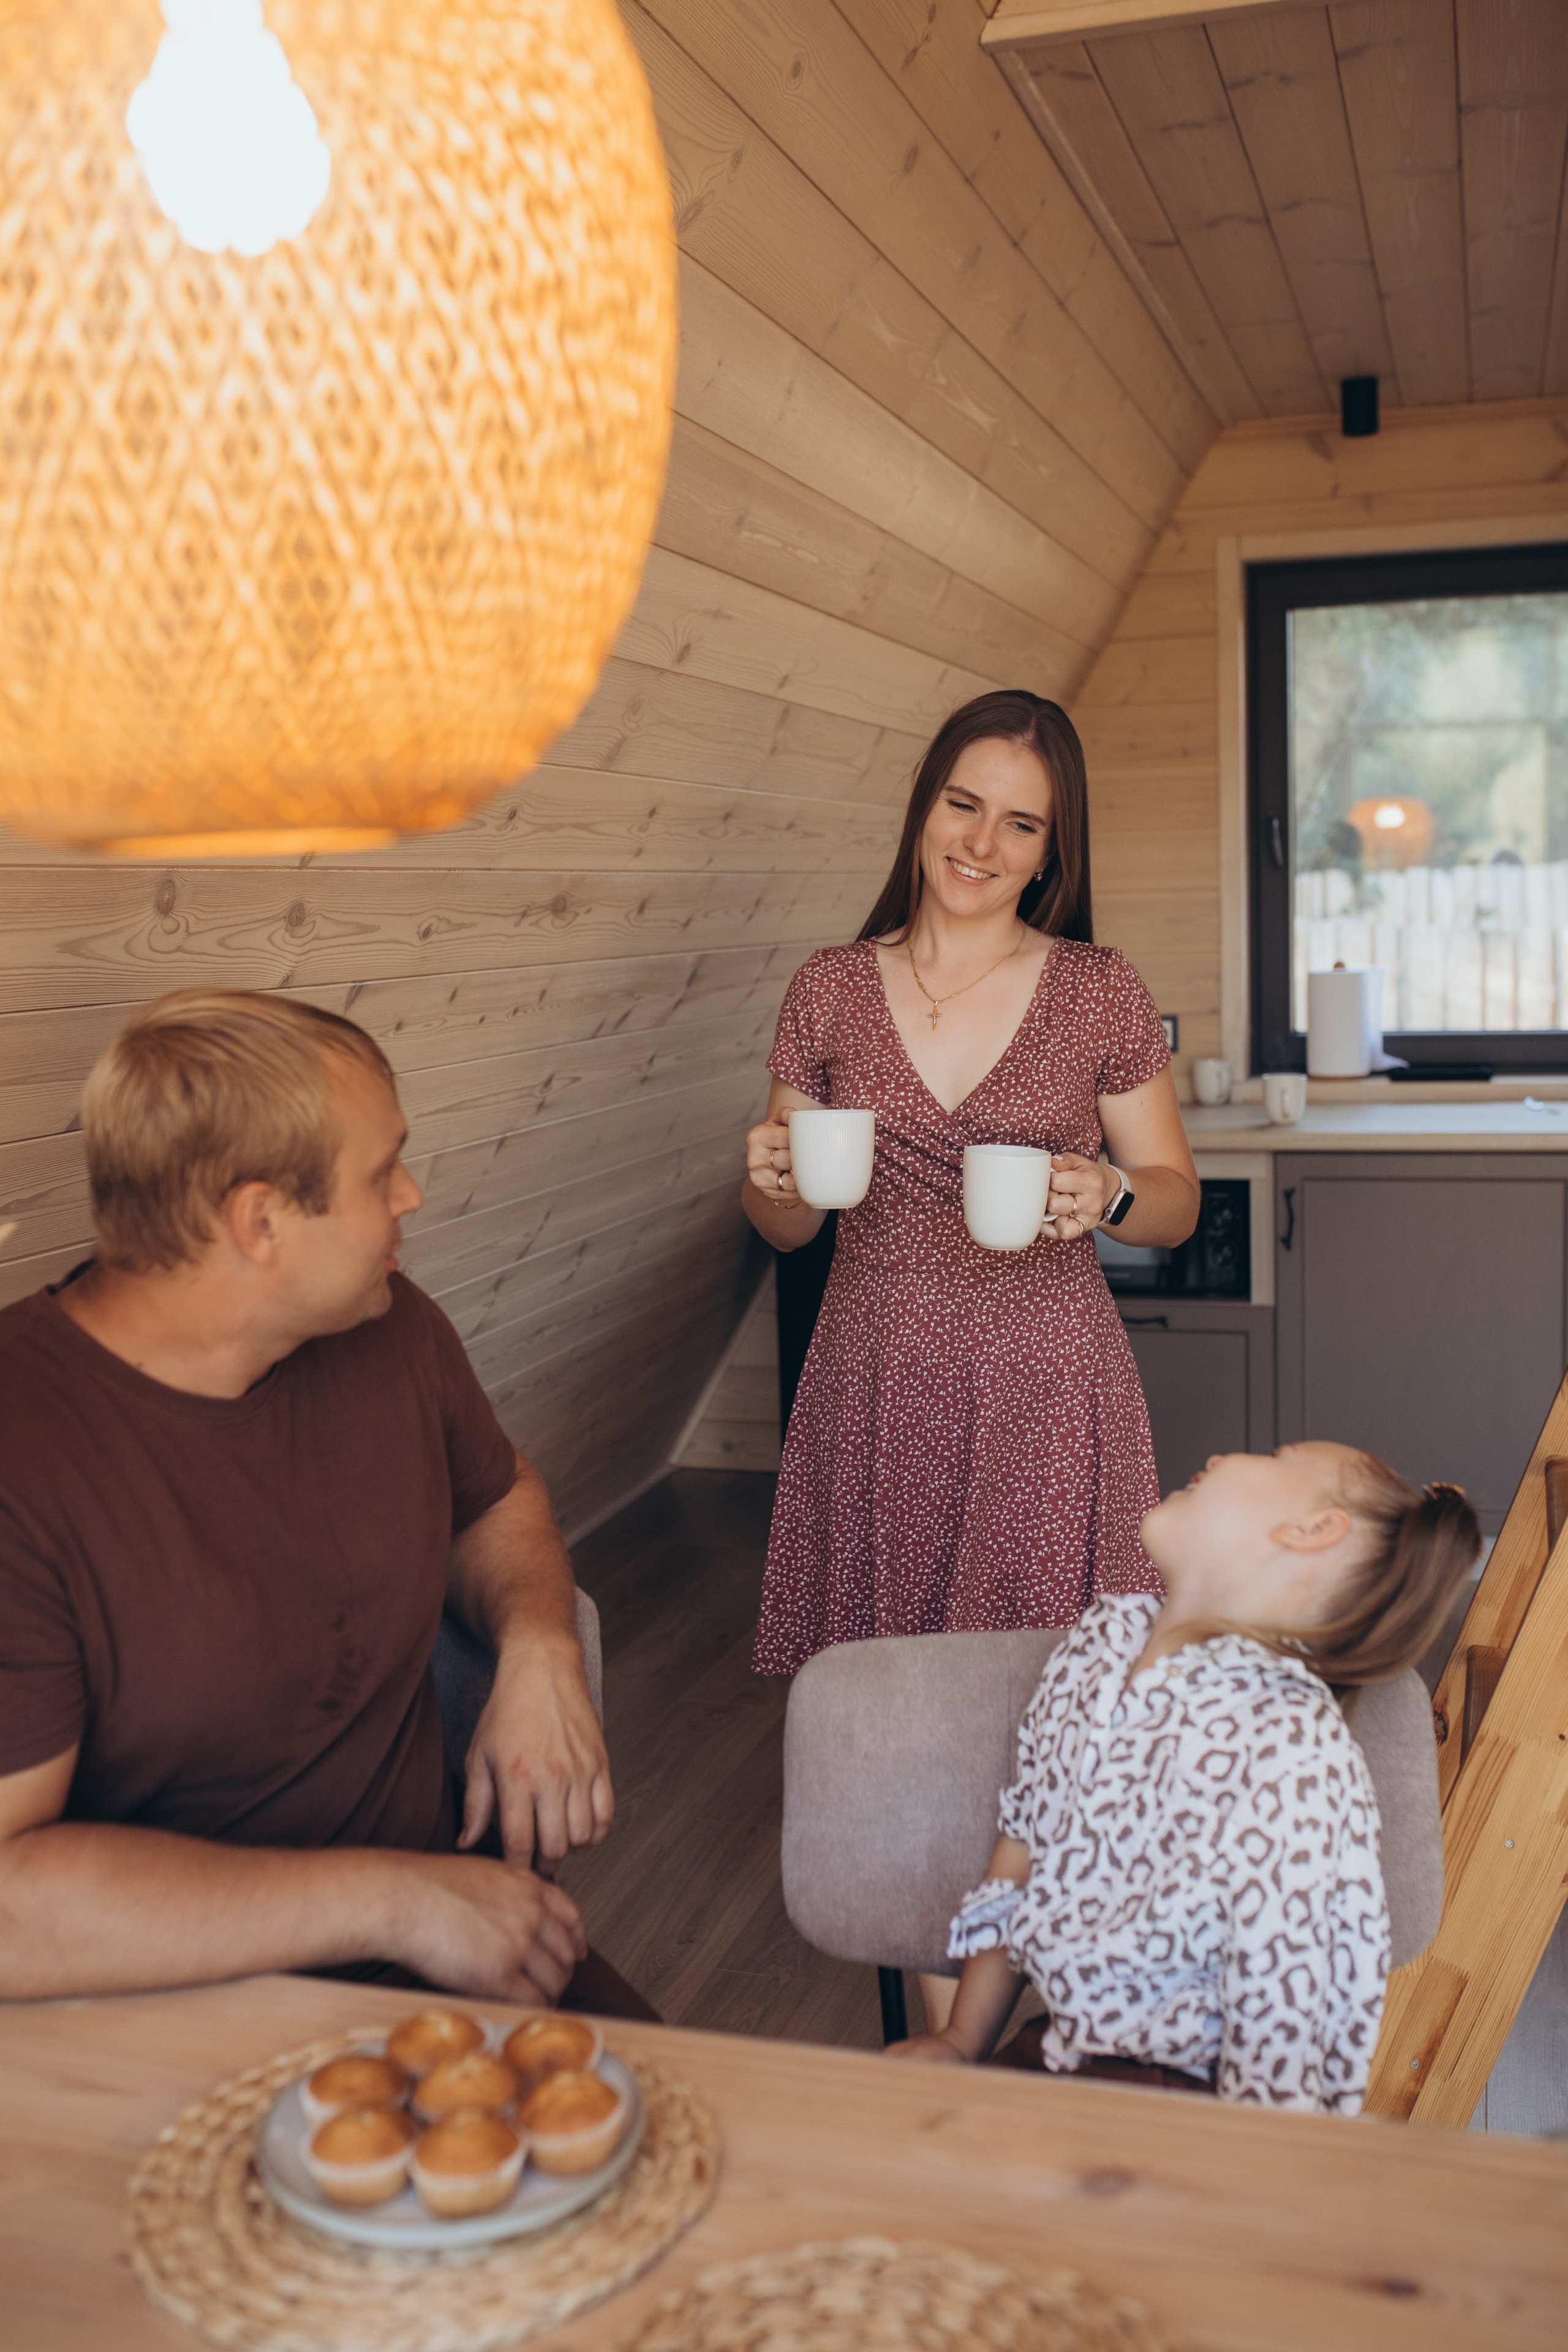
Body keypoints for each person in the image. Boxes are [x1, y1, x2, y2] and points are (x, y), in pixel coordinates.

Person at [0, 989, 644, 2013]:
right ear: (260, 1222)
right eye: (382, 1172)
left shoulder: (389, 1327)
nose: (411, 1196)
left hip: (442, 1957)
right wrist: (395, 1902)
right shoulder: (26, 1460)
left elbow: (493, 1492)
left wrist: (540, 1642)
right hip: (156, 2021)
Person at [744, 690, 1200, 1678]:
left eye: (1021, 824)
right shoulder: (827, 987)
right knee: (879, 1699)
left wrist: (1112, 1193)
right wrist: (775, 1183)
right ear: (924, 806)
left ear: (1051, 852)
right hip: (875, 1381)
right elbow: (788, 1229)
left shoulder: (1100, 989)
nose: (982, 844)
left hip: (1048, 1384)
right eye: (963, 805)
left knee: (1045, 1687)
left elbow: (1176, 1202)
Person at [890, 1442, 1481, 2111]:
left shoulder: (1288, 1744)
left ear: (1312, 1528)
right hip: (1054, 2055)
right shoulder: (1096, 1653)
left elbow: (1283, 2022)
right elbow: (1025, 1845)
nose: (1221, 1454)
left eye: (1276, 1456)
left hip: (1190, 2104)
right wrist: (962, 2039)